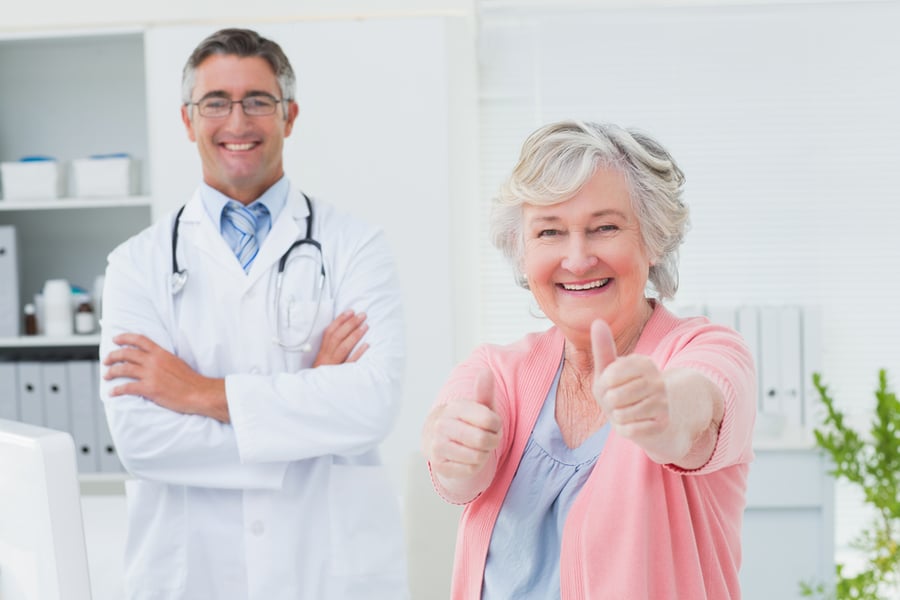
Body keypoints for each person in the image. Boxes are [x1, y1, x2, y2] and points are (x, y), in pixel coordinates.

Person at [99, 28, 407, 600]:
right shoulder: (135, 265)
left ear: (289, 116)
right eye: (215, 102)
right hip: (191, 572)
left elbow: (371, 406)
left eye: (257, 102)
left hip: (324, 566)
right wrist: (311, 398)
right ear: (188, 121)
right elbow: (141, 438)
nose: (237, 122)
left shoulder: (356, 246)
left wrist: (196, 392)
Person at [422, 120, 757, 599]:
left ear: (654, 239)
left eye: (604, 227)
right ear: (522, 253)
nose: (577, 259)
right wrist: (451, 447)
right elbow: (455, 466)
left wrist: (660, 409)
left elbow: (698, 413)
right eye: (549, 232)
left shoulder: (707, 351)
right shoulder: (497, 371)